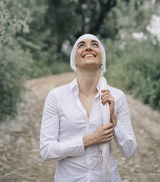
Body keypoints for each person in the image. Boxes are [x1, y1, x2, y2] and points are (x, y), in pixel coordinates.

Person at [40, 34, 137, 182]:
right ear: (74, 60)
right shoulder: (56, 96)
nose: (88, 47)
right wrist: (89, 140)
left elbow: (129, 152)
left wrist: (114, 120)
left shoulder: (117, 96)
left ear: (102, 60)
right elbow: (47, 151)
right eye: (81, 45)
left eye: (94, 44)